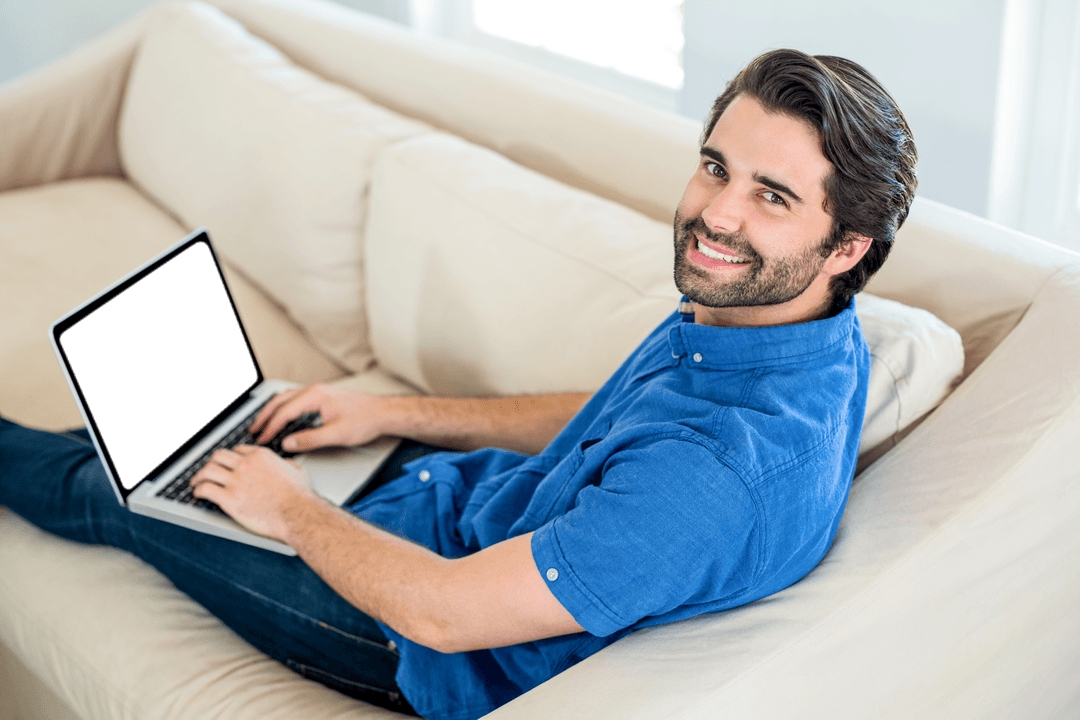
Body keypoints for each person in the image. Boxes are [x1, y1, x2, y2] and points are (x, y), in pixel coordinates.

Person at [0, 48, 916, 720]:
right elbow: (611, 425)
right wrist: (387, 411)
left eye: (773, 195)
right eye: (717, 167)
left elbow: (443, 615)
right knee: (189, 442)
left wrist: (290, 511)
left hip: (409, 630)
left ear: (847, 247)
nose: (716, 213)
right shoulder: (787, 328)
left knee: (107, 491)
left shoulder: (710, 480)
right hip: (453, 507)